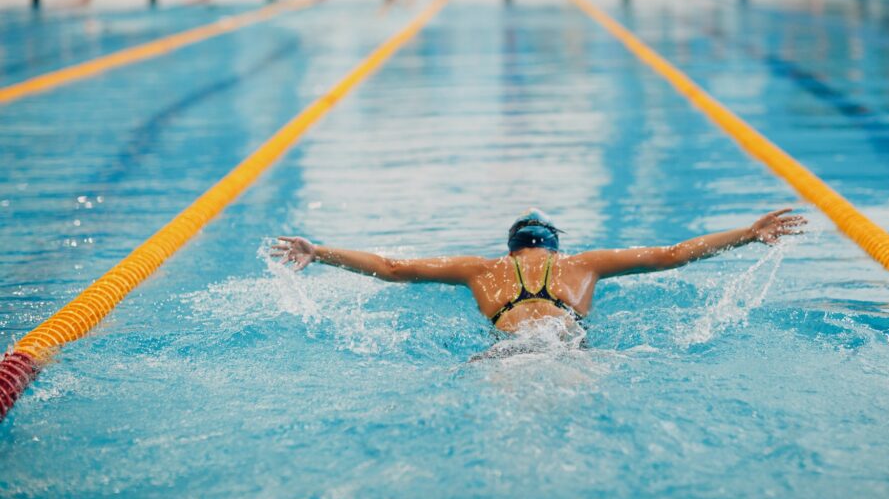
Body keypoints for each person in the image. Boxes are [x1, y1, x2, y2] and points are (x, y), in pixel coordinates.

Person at [272, 208, 806, 334]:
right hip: (566, 341)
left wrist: (318, 251)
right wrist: (746, 234)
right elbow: (671, 254)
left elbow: (392, 267)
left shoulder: (481, 270)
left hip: (503, 349)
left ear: (512, 249)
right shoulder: (581, 265)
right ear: (552, 247)